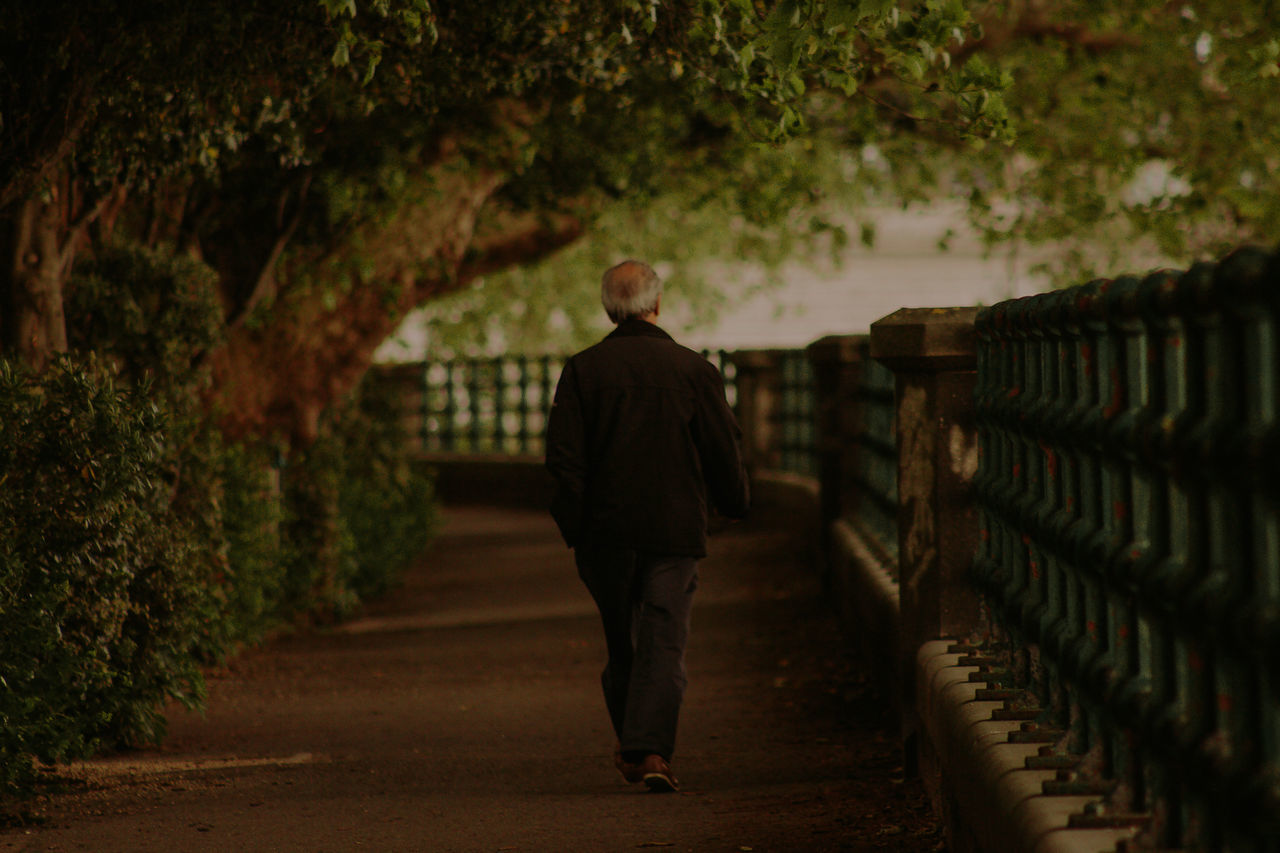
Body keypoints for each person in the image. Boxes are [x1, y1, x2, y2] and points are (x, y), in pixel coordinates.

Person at [545, 259, 750, 793]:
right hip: (674, 528)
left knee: (625, 641)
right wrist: (735, 504)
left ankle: (640, 748)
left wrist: (575, 528)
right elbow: (722, 449)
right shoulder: (693, 369)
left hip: (604, 534)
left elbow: (564, 462)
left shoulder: (582, 371)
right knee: (663, 639)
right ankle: (649, 750)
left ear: (608, 308)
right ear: (657, 304)